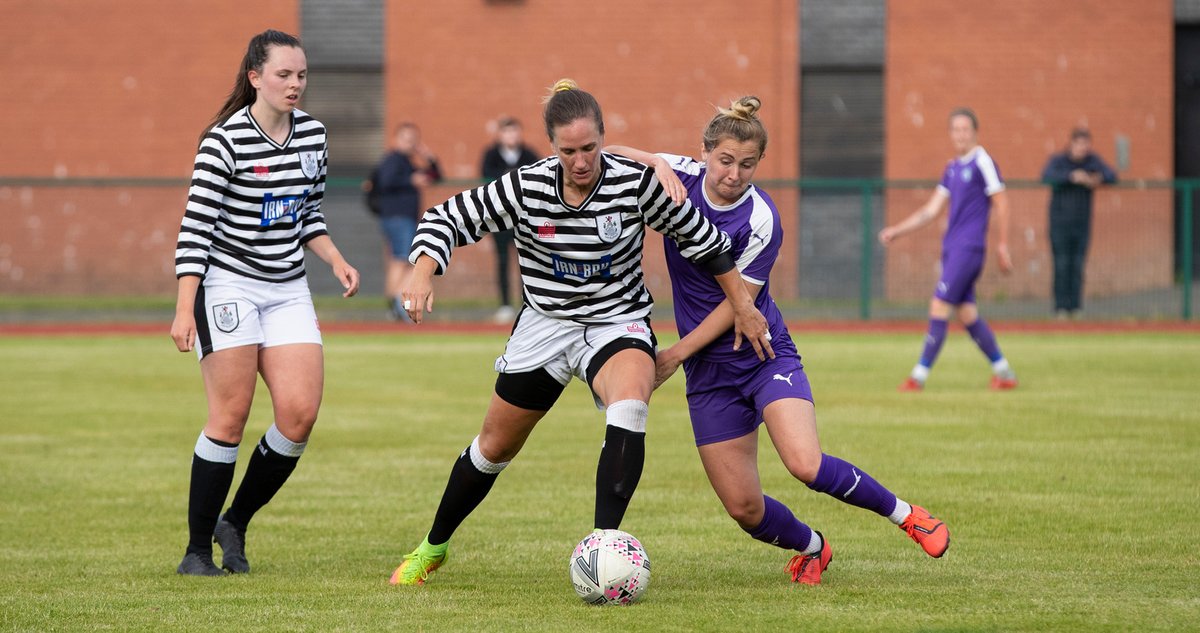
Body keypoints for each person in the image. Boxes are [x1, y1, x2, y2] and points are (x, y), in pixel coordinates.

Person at [388, 79, 772, 586]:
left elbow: (704, 241)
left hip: (617, 321)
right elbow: (449, 217)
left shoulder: (634, 183)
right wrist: (421, 271)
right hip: (545, 325)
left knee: (631, 401)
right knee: (493, 447)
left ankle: (603, 552)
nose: (581, 161)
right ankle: (432, 547)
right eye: (568, 151)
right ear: (552, 147)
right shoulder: (525, 185)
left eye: (590, 148)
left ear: (603, 139)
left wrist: (743, 304)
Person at [607, 96, 950, 586]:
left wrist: (674, 355)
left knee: (805, 464)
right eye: (725, 160)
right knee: (745, 509)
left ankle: (907, 515)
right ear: (703, 152)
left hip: (763, 355)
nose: (734, 173)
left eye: (747, 165)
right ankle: (814, 547)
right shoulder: (677, 174)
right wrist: (654, 160)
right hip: (710, 376)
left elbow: (738, 309)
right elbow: (610, 155)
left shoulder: (762, 219)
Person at [170, 29, 360, 576]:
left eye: (301, 75)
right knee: (229, 418)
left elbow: (308, 215)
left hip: (286, 287)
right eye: (283, 74)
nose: (295, 84)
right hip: (227, 284)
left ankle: (237, 521)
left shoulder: (314, 136)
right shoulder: (224, 141)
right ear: (256, 77)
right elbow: (195, 229)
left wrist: (334, 258)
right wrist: (186, 307)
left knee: (299, 415)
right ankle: (197, 551)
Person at [879, 107, 1018, 392]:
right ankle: (1004, 373)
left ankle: (918, 377)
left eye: (966, 129)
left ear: (975, 132)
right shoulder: (952, 167)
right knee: (967, 314)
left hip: (969, 248)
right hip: (953, 248)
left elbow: (1002, 202)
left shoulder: (983, 161)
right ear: (951, 134)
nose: (961, 135)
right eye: (956, 130)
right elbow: (931, 210)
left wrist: (1003, 245)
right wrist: (897, 230)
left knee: (939, 304)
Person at [365, 123, 442, 321]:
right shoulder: (392, 160)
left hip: (404, 217)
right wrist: (411, 180)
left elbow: (436, 176)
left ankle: (394, 306)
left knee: (399, 261)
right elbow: (386, 181)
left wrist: (428, 156)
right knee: (406, 261)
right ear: (397, 139)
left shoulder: (408, 163)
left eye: (413, 140)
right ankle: (397, 305)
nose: (410, 143)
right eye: (406, 139)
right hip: (397, 217)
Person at [1040, 128, 1117, 319]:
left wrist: (1097, 178)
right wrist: (1071, 176)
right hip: (1059, 223)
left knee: (1077, 265)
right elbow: (1046, 176)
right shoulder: (1059, 161)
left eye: (1086, 145)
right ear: (1072, 144)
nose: (1083, 149)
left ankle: (1075, 308)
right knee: (1061, 264)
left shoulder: (1092, 162)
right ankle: (1060, 308)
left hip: (1082, 224)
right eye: (1080, 144)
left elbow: (1111, 175)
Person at [480, 116, 542, 323]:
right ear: (500, 134)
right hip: (500, 217)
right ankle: (505, 304)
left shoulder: (529, 154)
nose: (511, 136)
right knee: (503, 261)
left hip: (524, 218)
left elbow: (538, 178)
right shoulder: (491, 155)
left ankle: (530, 304)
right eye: (507, 132)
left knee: (529, 261)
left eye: (515, 131)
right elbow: (487, 179)